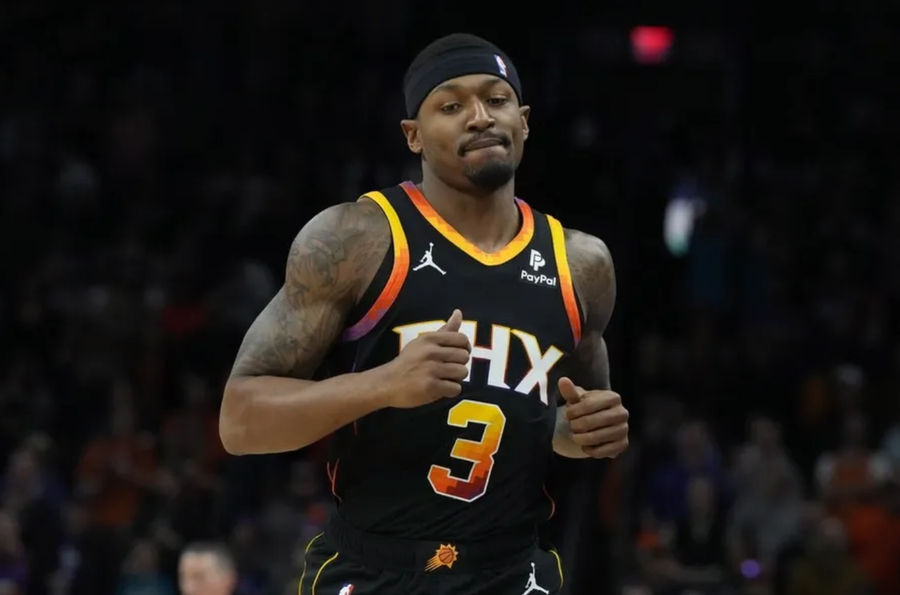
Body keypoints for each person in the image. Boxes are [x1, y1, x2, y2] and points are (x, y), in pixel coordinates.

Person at [219, 32, 629, 595]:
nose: (480, 117)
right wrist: (382, 385)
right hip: (376, 567)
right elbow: (239, 422)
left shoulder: (581, 264)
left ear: (525, 120)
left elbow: (563, 429)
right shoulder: (356, 239)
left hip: (512, 570)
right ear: (413, 135)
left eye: (497, 99)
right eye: (452, 105)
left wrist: (586, 433)